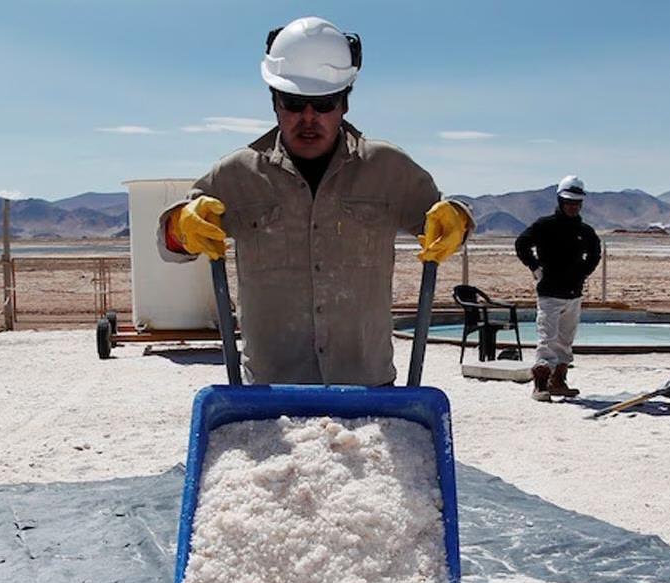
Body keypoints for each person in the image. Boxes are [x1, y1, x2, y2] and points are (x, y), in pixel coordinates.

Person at [156, 16, 471, 386]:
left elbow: (445, 221)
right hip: (270, 391)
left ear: (344, 104)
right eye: (294, 102)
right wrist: (179, 226)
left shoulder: (389, 169)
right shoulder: (236, 174)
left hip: (367, 387)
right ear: (274, 102)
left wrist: (458, 221)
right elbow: (169, 247)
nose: (308, 118)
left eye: (323, 104)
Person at [514, 175, 602, 401]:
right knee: (547, 338)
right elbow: (522, 243)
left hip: (573, 293)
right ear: (560, 201)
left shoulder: (585, 231)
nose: (573, 206)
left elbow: (595, 252)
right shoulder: (545, 226)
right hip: (550, 293)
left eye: (577, 203)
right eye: (569, 202)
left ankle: (558, 381)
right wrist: (535, 267)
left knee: (565, 340)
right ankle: (540, 384)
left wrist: (583, 272)